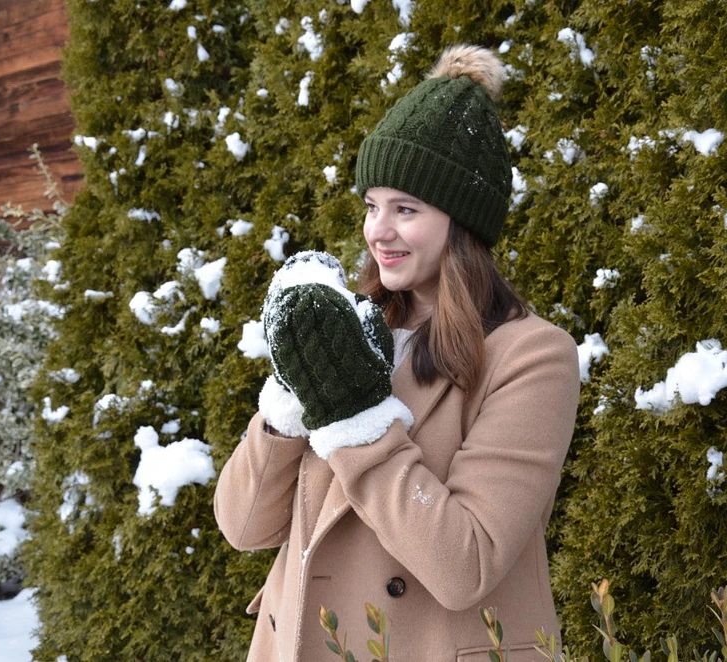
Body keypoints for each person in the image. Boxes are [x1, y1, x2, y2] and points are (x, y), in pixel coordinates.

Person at [214, 44, 580, 661]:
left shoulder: (533, 357)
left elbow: (466, 563)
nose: (377, 231)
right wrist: (288, 403)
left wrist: (355, 418)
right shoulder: (352, 326)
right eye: (372, 205)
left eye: (405, 210)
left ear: (462, 223)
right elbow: (245, 526)